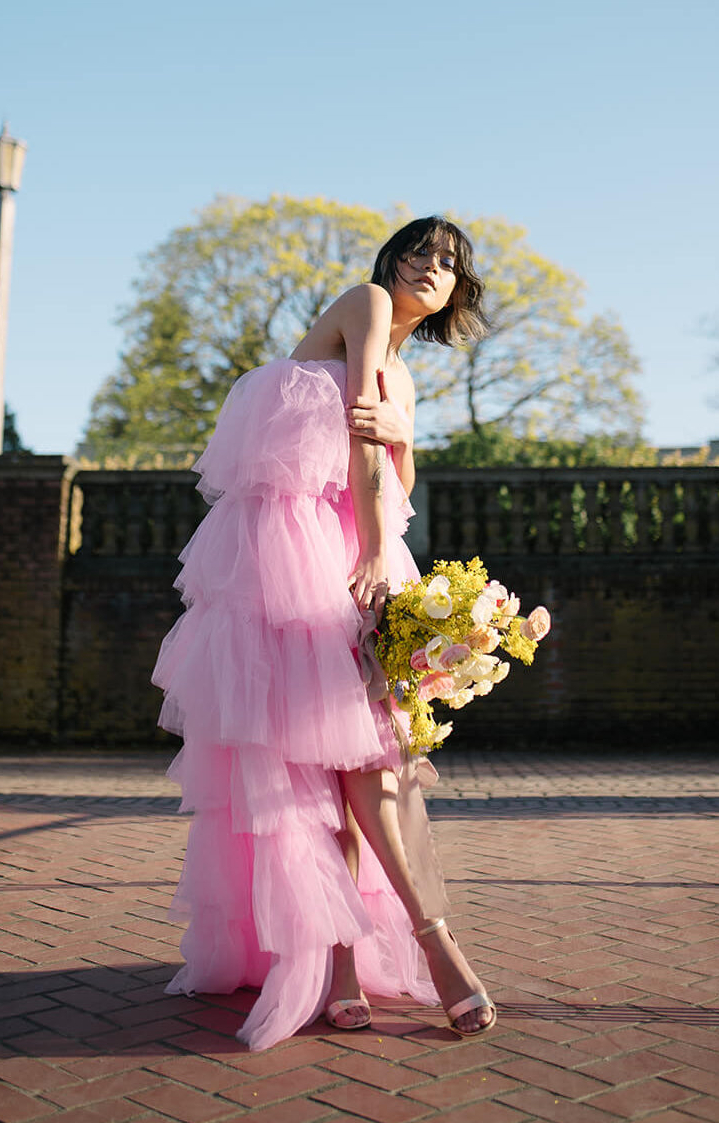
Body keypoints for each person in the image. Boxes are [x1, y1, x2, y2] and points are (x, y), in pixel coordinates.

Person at [152, 216, 496, 1049]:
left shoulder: (405, 376)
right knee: (315, 766)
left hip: (352, 549)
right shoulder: (365, 303)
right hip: (289, 557)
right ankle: (356, 958)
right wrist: (374, 550)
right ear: (391, 260)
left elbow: (395, 479)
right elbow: (354, 446)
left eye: (448, 261)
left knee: (367, 758)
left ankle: (419, 941)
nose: (429, 265)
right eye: (419, 250)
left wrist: (403, 447)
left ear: (457, 290)